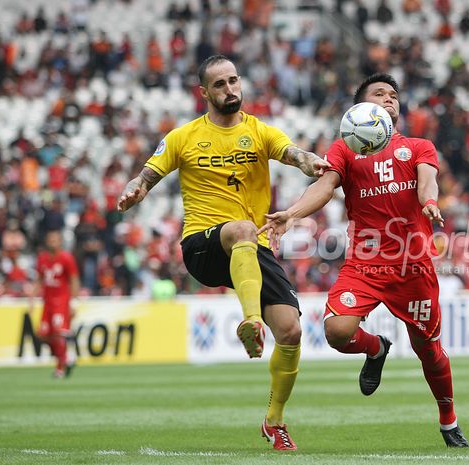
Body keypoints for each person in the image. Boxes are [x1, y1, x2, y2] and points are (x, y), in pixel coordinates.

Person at [117, 55, 329, 451]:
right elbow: (146, 174)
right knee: (243, 228)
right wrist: (135, 189)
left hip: (253, 247)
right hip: (203, 246)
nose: (230, 89)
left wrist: (309, 162)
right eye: (220, 84)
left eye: (234, 80)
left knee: (291, 330)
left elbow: (293, 153)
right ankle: (250, 321)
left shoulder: (261, 132)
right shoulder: (183, 137)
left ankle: (274, 421)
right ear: (204, 93)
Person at [261, 73, 469, 448]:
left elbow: (427, 182)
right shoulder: (343, 150)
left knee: (429, 351)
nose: (389, 99)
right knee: (337, 331)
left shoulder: (419, 146)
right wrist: (292, 214)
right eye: (379, 94)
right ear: (360, 107)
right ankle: (376, 349)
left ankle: (448, 420)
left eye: (393, 95)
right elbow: (324, 186)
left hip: (413, 266)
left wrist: (430, 202)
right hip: (365, 263)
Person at [29, 229, 80, 379]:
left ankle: (60, 367)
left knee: (59, 333)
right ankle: (67, 358)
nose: (52, 242)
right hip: (48, 302)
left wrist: (74, 302)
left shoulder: (66, 258)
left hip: (61, 301)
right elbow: (39, 280)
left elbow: (74, 280)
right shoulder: (42, 259)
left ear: (60, 242)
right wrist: (31, 298)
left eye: (55, 240)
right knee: (43, 335)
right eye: (50, 240)